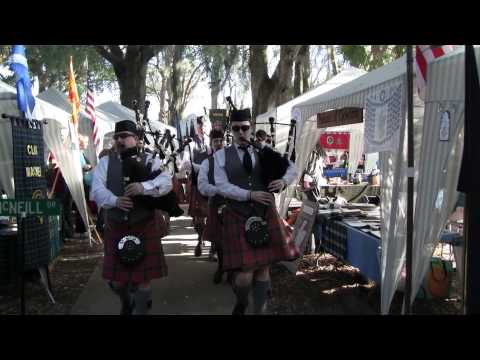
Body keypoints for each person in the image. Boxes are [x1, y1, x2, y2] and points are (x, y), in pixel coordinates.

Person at [213, 108, 300, 315]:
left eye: (244, 128)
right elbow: (221, 185)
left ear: (250, 128)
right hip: (238, 214)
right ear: (231, 130)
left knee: (263, 268)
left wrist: (283, 181)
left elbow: (292, 168)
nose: (241, 132)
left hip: (264, 213)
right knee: (244, 275)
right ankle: (242, 300)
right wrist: (249, 195)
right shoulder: (221, 156)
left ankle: (259, 311)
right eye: (236, 129)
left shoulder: (263, 150)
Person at [91, 120, 172, 315]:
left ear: (136, 139)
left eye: (124, 136)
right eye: (116, 137)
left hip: (143, 225)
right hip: (116, 225)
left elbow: (166, 182)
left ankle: (140, 311)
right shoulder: (105, 162)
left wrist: (144, 187)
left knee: (142, 281)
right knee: (118, 282)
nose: (119, 140)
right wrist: (114, 200)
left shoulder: (150, 160)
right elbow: (96, 190)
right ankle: (127, 301)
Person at [197, 129, 228, 282]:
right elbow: (202, 185)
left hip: (235, 204)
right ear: (211, 143)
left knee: (233, 240)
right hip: (216, 203)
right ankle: (221, 266)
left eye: (221, 140)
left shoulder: (234, 159)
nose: (219, 143)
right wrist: (219, 190)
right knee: (219, 240)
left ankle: (232, 269)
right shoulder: (206, 163)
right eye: (215, 141)